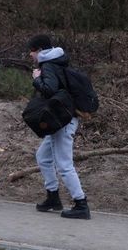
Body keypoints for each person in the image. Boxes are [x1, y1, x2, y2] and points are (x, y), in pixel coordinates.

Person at [28, 34, 90, 219]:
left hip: (63, 121)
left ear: (39, 50)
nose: (30, 55)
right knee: (43, 157)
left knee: (64, 164)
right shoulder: (58, 60)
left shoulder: (47, 66)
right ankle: (53, 197)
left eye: (31, 51)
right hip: (62, 119)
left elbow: (50, 89)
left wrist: (37, 78)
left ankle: (81, 204)